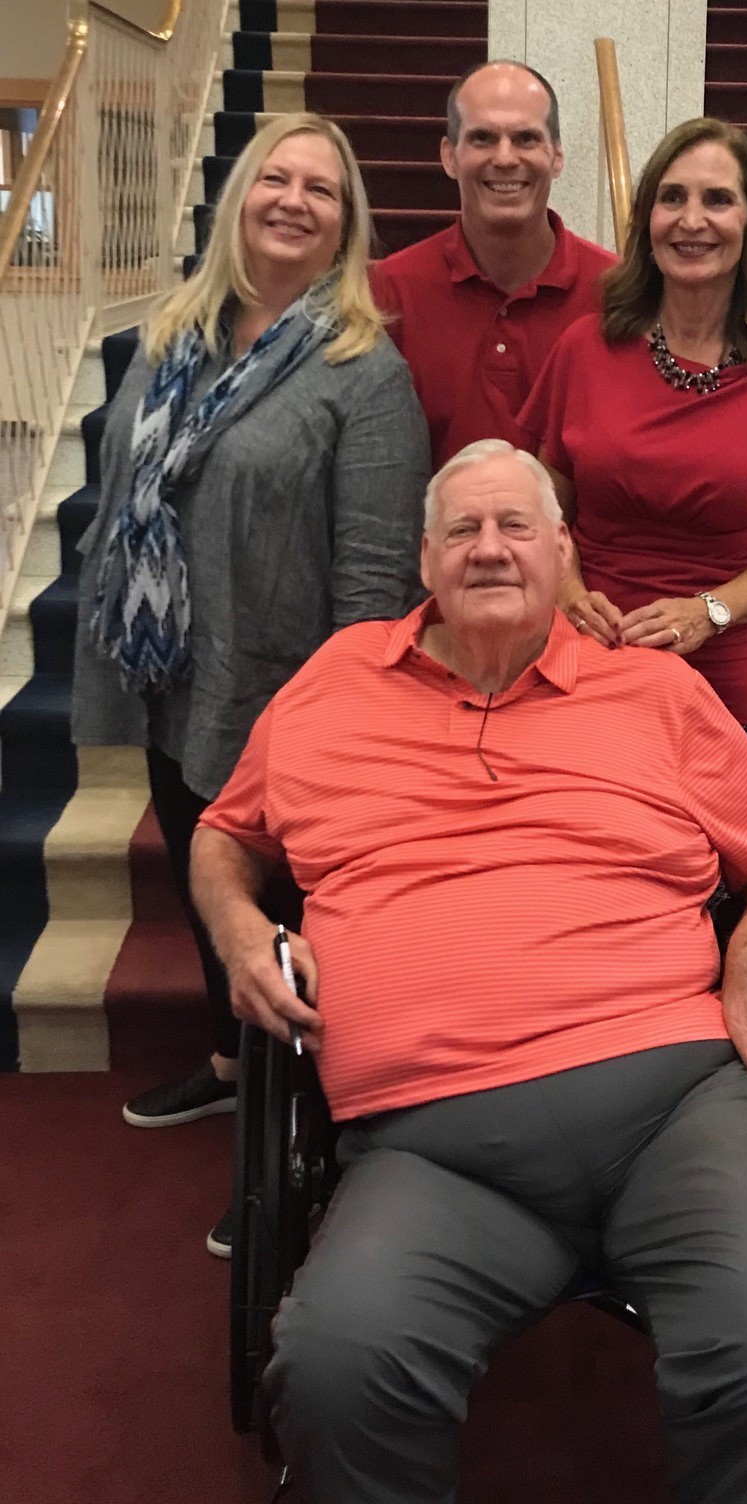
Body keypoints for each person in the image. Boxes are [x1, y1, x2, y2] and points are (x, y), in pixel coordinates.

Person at [190, 440, 747, 1504]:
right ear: (424, 559)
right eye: (462, 530)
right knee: (335, 1362)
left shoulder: (657, 693)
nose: (489, 548)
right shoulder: (336, 683)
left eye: (516, 526)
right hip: (429, 1142)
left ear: (564, 552)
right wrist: (243, 935)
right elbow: (223, 835)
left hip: (675, 1110)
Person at [70, 111, 430, 1257]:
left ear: (346, 224)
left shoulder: (362, 369)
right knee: (197, 872)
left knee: (291, 919)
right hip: (174, 675)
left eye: (321, 190)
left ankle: (301, 1130)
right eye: (275, 177)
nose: (293, 200)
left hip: (285, 695)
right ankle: (237, 1065)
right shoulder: (176, 330)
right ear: (239, 198)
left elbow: (376, 577)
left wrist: (342, 722)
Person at [518, 116, 747, 774]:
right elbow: (540, 505)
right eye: (671, 198)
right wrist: (566, 587)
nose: (690, 220)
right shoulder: (585, 348)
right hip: (580, 671)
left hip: (719, 692)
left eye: (716, 199)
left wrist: (709, 611)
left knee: (703, 880)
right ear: (646, 219)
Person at [370, 60, 615, 465]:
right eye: (483, 138)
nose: (505, 158)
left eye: (525, 139)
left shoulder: (616, 292)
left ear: (556, 156)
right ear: (449, 156)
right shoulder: (388, 293)